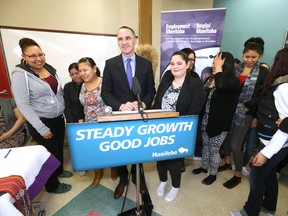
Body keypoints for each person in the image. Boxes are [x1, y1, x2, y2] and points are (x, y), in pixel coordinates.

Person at [230, 47, 288, 216]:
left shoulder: (284, 87)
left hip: (276, 143)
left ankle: (249, 212)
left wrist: (265, 153)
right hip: (271, 141)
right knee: (269, 175)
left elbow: (285, 128)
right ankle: (269, 207)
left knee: (257, 176)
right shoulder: (279, 83)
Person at [101, 26, 156, 199]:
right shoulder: (110, 64)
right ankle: (123, 179)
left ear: (135, 40)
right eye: (120, 39)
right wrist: (121, 106)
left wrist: (144, 103)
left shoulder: (146, 64)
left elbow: (151, 90)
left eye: (127, 38)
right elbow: (106, 92)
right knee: (120, 152)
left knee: (138, 150)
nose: (124, 42)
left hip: (139, 117)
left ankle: (139, 179)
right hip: (119, 116)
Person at [11, 37, 72, 194]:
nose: (38, 59)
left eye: (41, 54)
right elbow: (23, 105)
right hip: (41, 122)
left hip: (58, 119)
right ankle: (52, 186)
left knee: (58, 149)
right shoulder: (20, 75)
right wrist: (41, 128)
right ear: (24, 57)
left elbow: (57, 93)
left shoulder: (49, 68)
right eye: (32, 56)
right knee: (48, 155)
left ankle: (58, 172)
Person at [153, 51, 205, 201]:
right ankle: (163, 181)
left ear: (188, 64)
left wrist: (177, 128)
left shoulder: (195, 83)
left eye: (179, 63)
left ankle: (175, 187)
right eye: (172, 63)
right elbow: (157, 103)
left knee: (174, 162)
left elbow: (195, 109)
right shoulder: (166, 80)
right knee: (160, 158)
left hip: (180, 131)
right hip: (161, 129)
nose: (175, 66)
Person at [219, 37, 269, 189]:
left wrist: (251, 108)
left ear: (259, 56)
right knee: (226, 140)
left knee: (235, 145)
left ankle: (238, 174)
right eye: (247, 56)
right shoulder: (237, 69)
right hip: (231, 109)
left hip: (247, 112)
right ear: (242, 55)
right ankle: (228, 164)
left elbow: (262, 94)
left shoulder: (262, 71)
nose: (250, 60)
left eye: (254, 57)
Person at [192, 52, 240, 185]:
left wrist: (219, 70)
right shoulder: (211, 78)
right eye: (213, 63)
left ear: (226, 65)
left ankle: (213, 174)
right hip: (206, 120)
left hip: (220, 123)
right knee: (205, 146)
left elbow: (221, 86)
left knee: (214, 150)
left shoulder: (232, 80)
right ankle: (203, 167)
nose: (214, 66)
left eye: (217, 64)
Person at [77, 57, 117, 187]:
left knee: (110, 150)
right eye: (80, 71)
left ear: (94, 69)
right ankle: (98, 174)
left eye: (85, 69)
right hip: (89, 124)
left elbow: (113, 101)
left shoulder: (104, 82)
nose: (82, 73)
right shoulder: (82, 85)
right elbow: (84, 105)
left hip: (106, 123)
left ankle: (114, 168)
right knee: (94, 152)